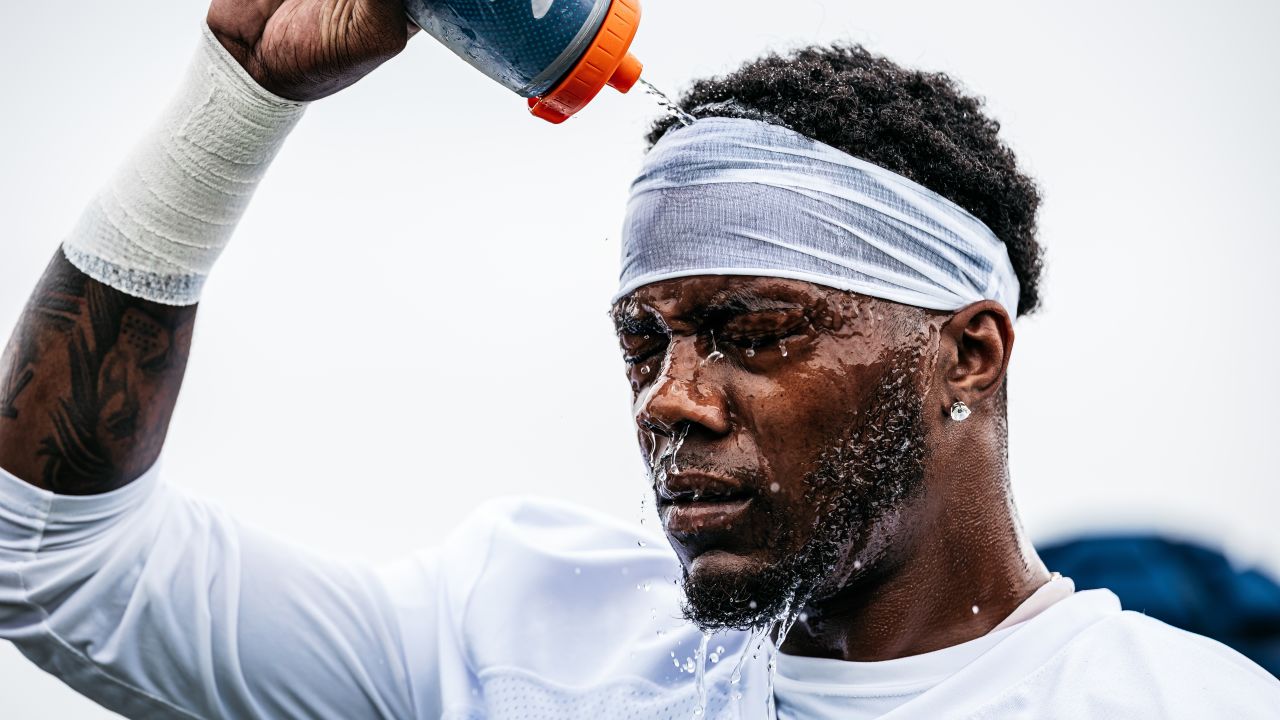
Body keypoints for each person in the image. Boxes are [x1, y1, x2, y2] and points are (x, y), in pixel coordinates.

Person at [0, 0, 1276, 718]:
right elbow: (52, 563)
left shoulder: (1178, 706)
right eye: (642, 340)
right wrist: (237, 99)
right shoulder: (515, 640)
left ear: (966, 355)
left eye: (754, 331)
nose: (672, 398)